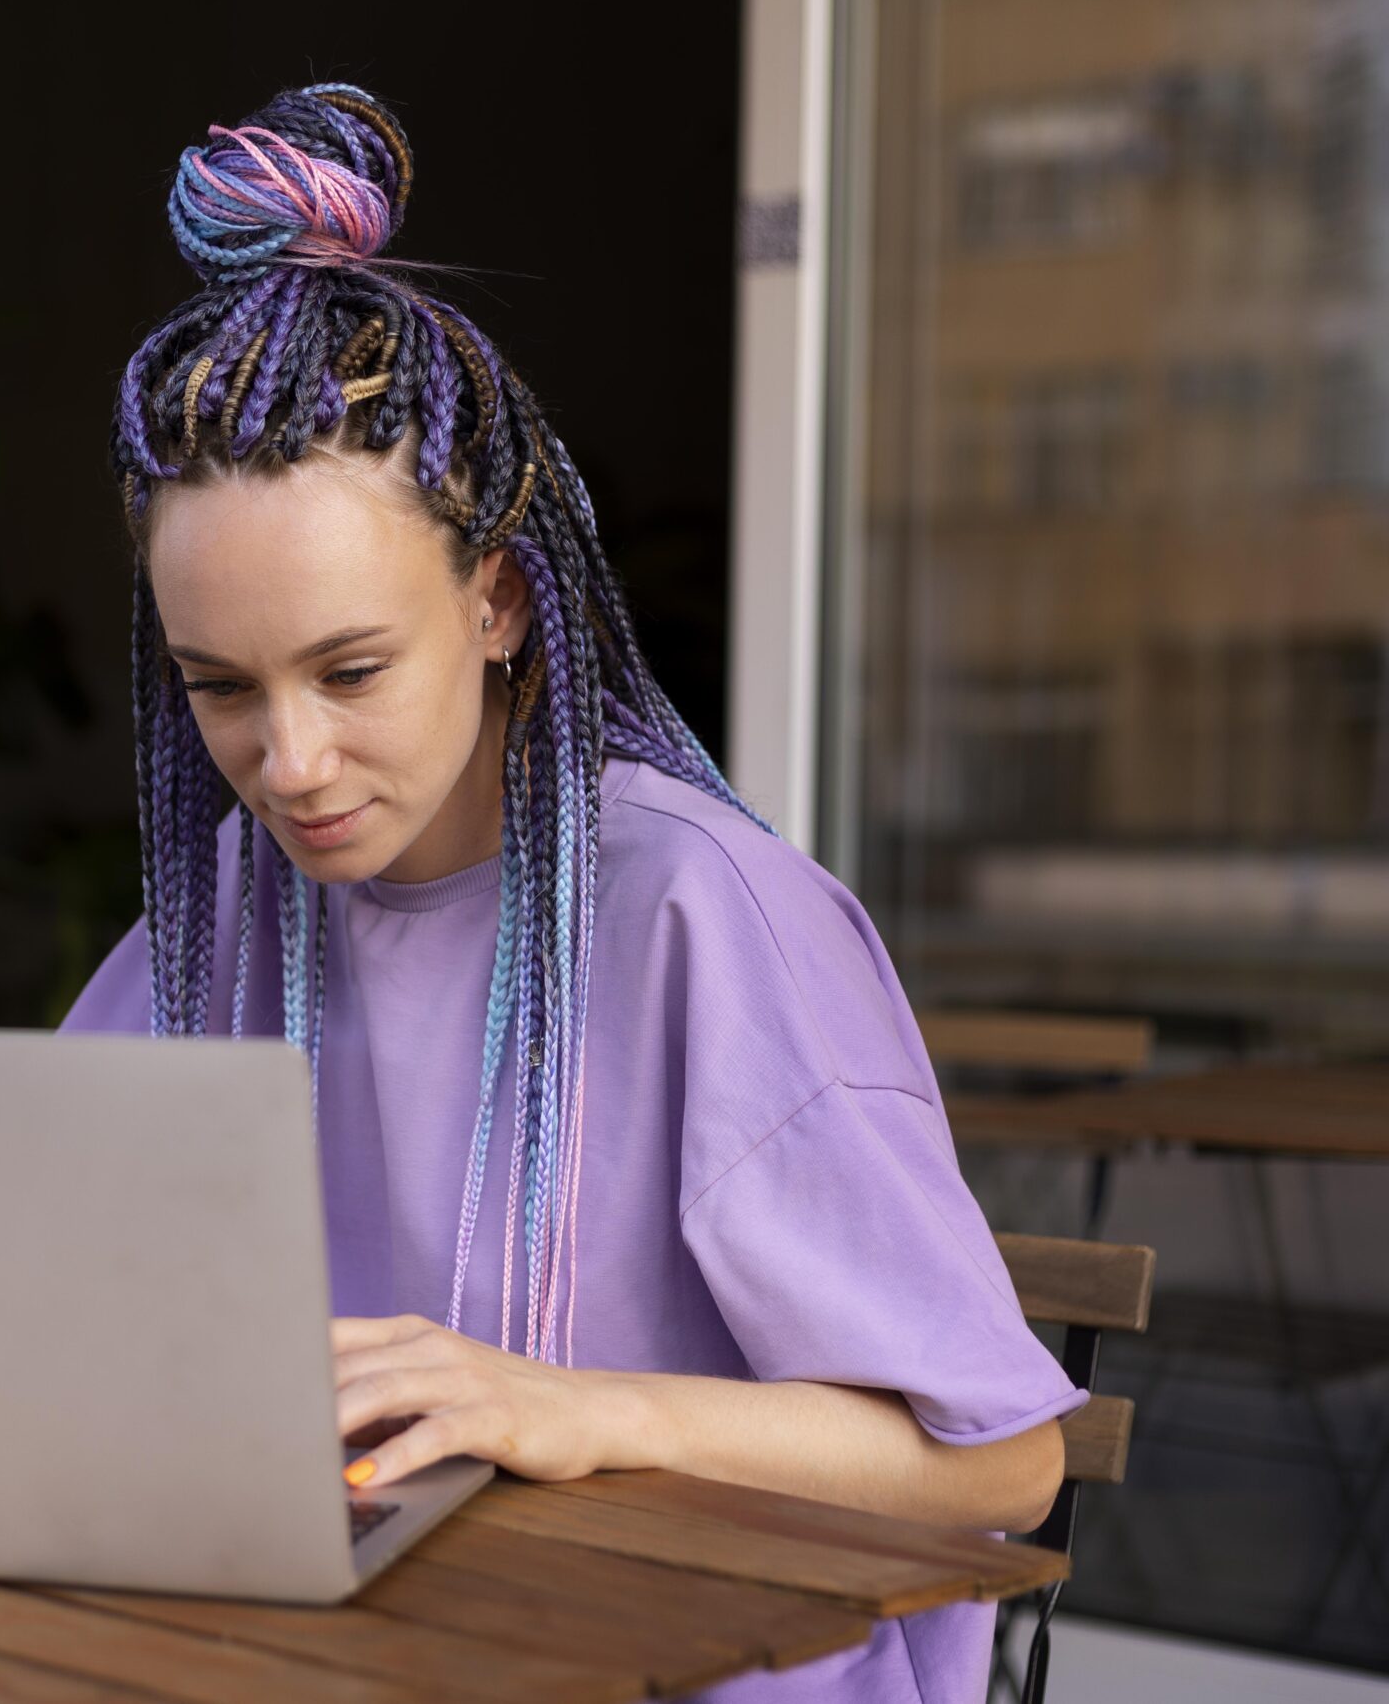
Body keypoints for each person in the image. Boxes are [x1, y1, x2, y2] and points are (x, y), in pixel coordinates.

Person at [59, 83, 1082, 1704]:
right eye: (220, 688)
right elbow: (34, 1286)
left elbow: (1001, 1466)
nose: (292, 760)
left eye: (350, 668)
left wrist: (575, 1408)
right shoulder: (228, 918)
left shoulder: (702, 917)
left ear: (499, 601)